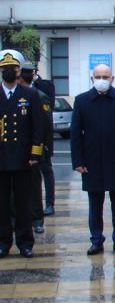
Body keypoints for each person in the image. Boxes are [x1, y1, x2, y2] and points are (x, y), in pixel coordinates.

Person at [70, 64, 115, 255]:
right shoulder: (82, 100)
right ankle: (96, 240)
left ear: (112, 79)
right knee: (95, 205)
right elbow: (75, 133)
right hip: (91, 161)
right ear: (92, 79)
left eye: (105, 76)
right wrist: (78, 161)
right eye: (98, 76)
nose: (102, 80)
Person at [0, 49, 44, 259]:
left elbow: (38, 127)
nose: (10, 71)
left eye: (13, 67)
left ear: (19, 70)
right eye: (5, 68)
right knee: (1, 204)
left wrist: (35, 154)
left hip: (23, 158)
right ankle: (3, 242)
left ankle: (25, 243)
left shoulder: (30, 94)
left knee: (23, 203)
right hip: (1, 157)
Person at [18, 60, 53, 234]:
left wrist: (41, 149)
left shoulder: (38, 94)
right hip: (16, 149)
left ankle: (38, 217)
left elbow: (45, 126)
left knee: (36, 182)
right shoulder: (13, 95)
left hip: (35, 148)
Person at [32, 66, 56, 217]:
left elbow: (47, 116)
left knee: (46, 170)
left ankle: (49, 203)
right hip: (27, 140)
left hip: (43, 139)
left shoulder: (45, 86)